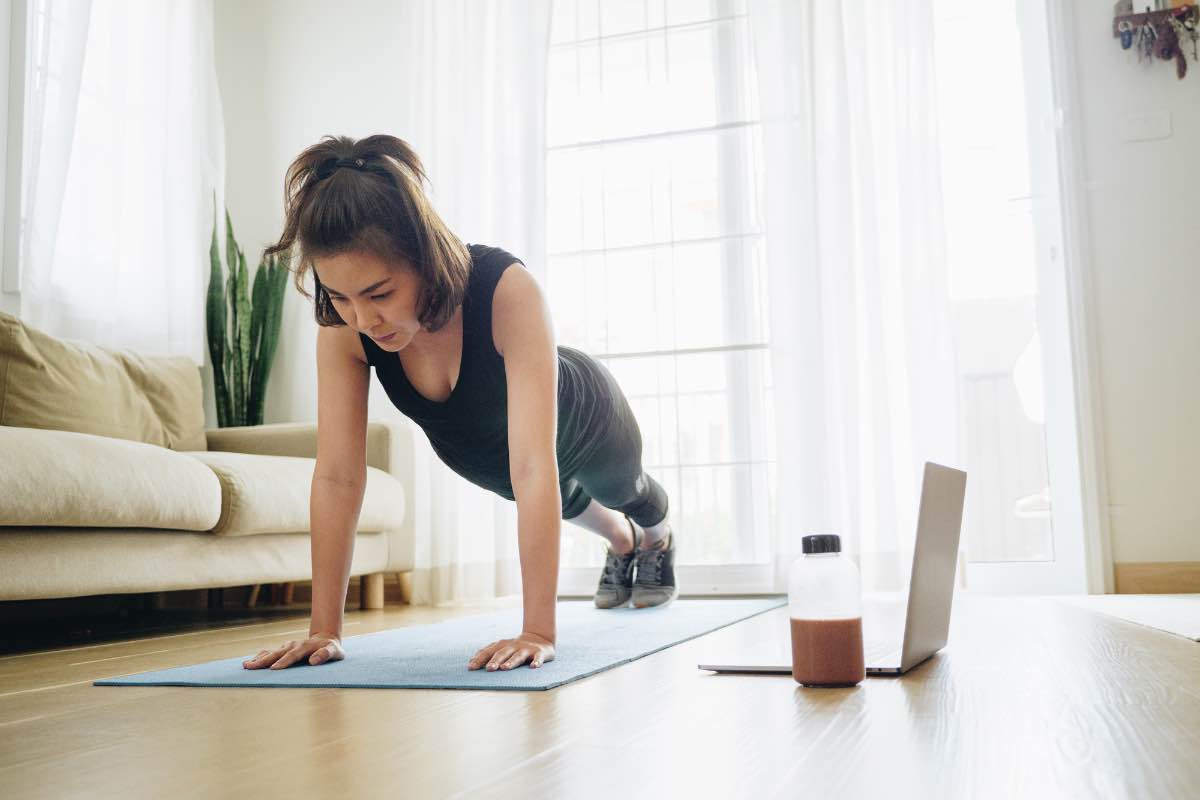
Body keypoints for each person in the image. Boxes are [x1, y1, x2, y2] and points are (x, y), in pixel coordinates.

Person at [242, 134, 675, 674]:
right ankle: (622, 545)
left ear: (423, 255)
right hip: (482, 450)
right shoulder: (345, 326)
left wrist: (538, 631)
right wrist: (323, 630)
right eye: (339, 296)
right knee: (567, 502)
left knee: (624, 490)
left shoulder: (505, 288)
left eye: (379, 293)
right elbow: (337, 477)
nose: (362, 319)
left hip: (586, 417)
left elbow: (534, 464)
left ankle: (655, 538)